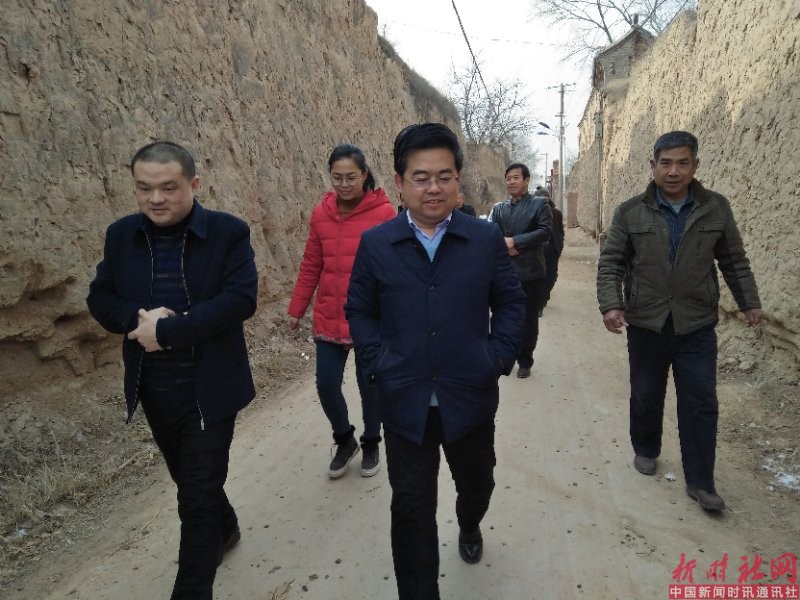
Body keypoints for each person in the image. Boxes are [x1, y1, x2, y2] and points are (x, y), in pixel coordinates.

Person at [345, 123, 525, 599]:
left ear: (458, 180)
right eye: (421, 177)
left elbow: (511, 302)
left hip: (469, 397)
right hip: (404, 401)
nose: (433, 188)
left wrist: (496, 357)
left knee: (477, 484)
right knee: (411, 507)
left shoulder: (483, 239)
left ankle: (469, 523)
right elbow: (359, 310)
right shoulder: (377, 244)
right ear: (399, 182)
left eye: (444, 176)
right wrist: (379, 361)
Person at [87, 141, 258, 599]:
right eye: (144, 188)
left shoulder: (227, 233)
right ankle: (226, 528)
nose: (155, 198)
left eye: (168, 187)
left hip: (210, 388)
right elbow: (99, 297)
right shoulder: (121, 236)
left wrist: (169, 331)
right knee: (190, 478)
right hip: (155, 388)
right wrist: (138, 321)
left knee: (195, 498)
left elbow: (240, 299)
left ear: (194, 184)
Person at [597, 130, 762, 512]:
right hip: (647, 321)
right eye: (666, 163)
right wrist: (611, 305)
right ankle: (646, 447)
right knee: (646, 393)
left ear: (695, 166)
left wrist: (748, 302)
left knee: (701, 400)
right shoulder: (630, 211)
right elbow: (612, 263)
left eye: (682, 163)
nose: (673, 171)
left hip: (696, 322)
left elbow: (733, 260)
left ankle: (701, 482)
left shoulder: (715, 208)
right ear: (653, 166)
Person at [288, 144, 396, 478]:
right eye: (337, 177)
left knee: (370, 385)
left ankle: (372, 441)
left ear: (365, 175)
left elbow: (396, 268)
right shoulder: (321, 214)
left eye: (351, 177)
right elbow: (311, 264)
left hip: (370, 317)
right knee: (326, 383)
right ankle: (344, 439)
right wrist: (296, 309)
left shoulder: (385, 213)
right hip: (329, 313)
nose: (344, 184)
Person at [488, 163, 552, 378]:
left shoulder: (539, 204)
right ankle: (503, 355)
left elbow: (545, 232)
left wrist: (516, 242)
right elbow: (491, 232)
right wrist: (505, 247)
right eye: (508, 178)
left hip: (530, 272)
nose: (511, 182)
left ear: (526, 180)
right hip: (503, 273)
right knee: (502, 315)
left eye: (516, 178)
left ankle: (525, 359)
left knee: (528, 318)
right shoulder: (499, 208)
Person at [536, 188, 564, 317]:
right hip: (537, 250)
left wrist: (559, 247)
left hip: (552, 250)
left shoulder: (556, 213)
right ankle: (538, 305)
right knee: (539, 277)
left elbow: (560, 232)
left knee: (551, 276)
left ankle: (544, 297)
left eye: (545, 198)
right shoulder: (532, 213)